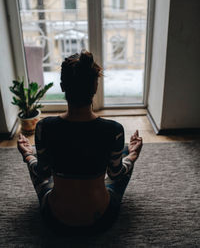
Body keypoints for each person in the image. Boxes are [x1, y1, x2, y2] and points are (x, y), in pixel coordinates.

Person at [17, 50, 143, 235]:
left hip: (55, 220)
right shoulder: (113, 130)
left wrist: (27, 154)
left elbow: (43, 174)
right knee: (124, 154)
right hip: (101, 220)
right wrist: (133, 155)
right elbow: (115, 174)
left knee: (37, 166)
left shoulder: (44, 126)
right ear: (95, 87)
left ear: (62, 86)